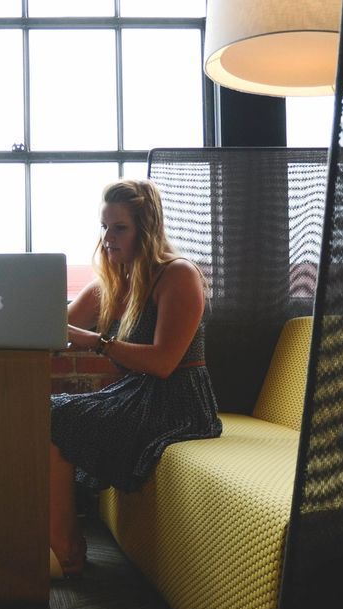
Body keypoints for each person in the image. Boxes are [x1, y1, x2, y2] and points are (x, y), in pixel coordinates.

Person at [48, 179, 222, 577]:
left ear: (147, 229)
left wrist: (97, 342)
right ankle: (63, 541)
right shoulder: (110, 284)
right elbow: (54, 330)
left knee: (55, 416)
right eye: (104, 227)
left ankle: (65, 548)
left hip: (178, 401)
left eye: (119, 227)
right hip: (133, 394)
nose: (107, 238)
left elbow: (163, 363)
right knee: (47, 412)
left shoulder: (178, 275)